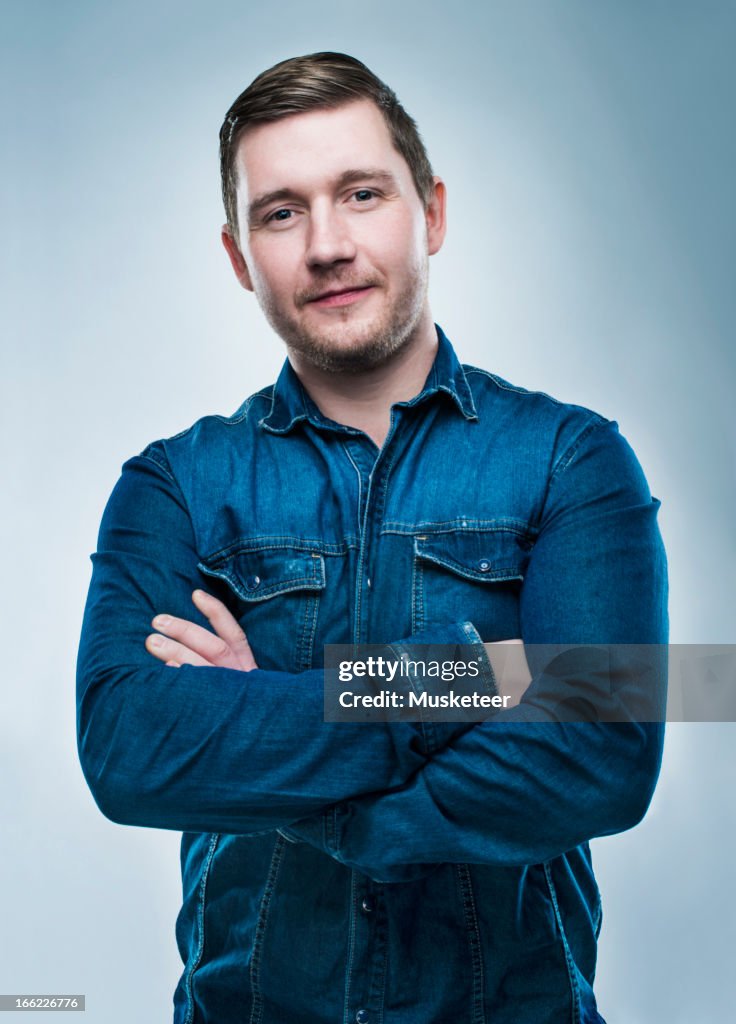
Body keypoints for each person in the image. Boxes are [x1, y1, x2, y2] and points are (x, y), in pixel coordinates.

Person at [76, 52, 668, 1024]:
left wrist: (279, 737)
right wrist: (465, 678)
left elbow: (603, 749)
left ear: (430, 213)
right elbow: (131, 750)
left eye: (360, 194)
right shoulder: (175, 487)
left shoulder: (573, 460)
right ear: (237, 257)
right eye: (280, 212)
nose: (325, 245)